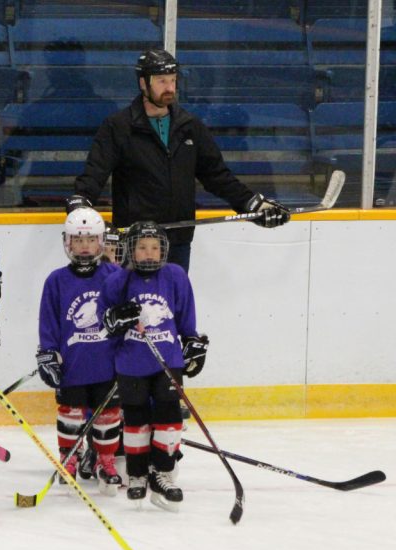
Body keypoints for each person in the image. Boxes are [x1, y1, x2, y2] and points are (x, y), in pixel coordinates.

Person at [73, 48, 290, 273]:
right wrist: (81, 201)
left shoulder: (189, 126)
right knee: (135, 296)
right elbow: (95, 172)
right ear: (143, 83)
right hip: (136, 241)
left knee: (173, 296)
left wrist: (252, 204)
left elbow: (217, 176)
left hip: (177, 241)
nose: (170, 88)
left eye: (173, 80)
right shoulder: (119, 127)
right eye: (161, 81)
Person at [98, 222, 208, 511]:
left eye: (155, 247)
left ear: (164, 250)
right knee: (136, 420)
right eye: (142, 247)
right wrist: (115, 319)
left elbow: (185, 317)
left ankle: (163, 474)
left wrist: (192, 342)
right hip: (131, 362)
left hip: (168, 361)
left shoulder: (175, 276)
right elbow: (104, 325)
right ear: (131, 250)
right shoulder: (117, 282)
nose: (149, 253)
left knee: (170, 417)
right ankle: (137, 475)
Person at [36, 207, 123, 495]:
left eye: (90, 240)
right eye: (78, 240)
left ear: (101, 242)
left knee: (108, 415)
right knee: (70, 413)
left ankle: (106, 461)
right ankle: (70, 457)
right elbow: (49, 321)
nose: (84, 246)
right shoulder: (56, 280)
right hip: (72, 364)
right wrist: (48, 352)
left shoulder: (115, 274)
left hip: (107, 363)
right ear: (68, 242)